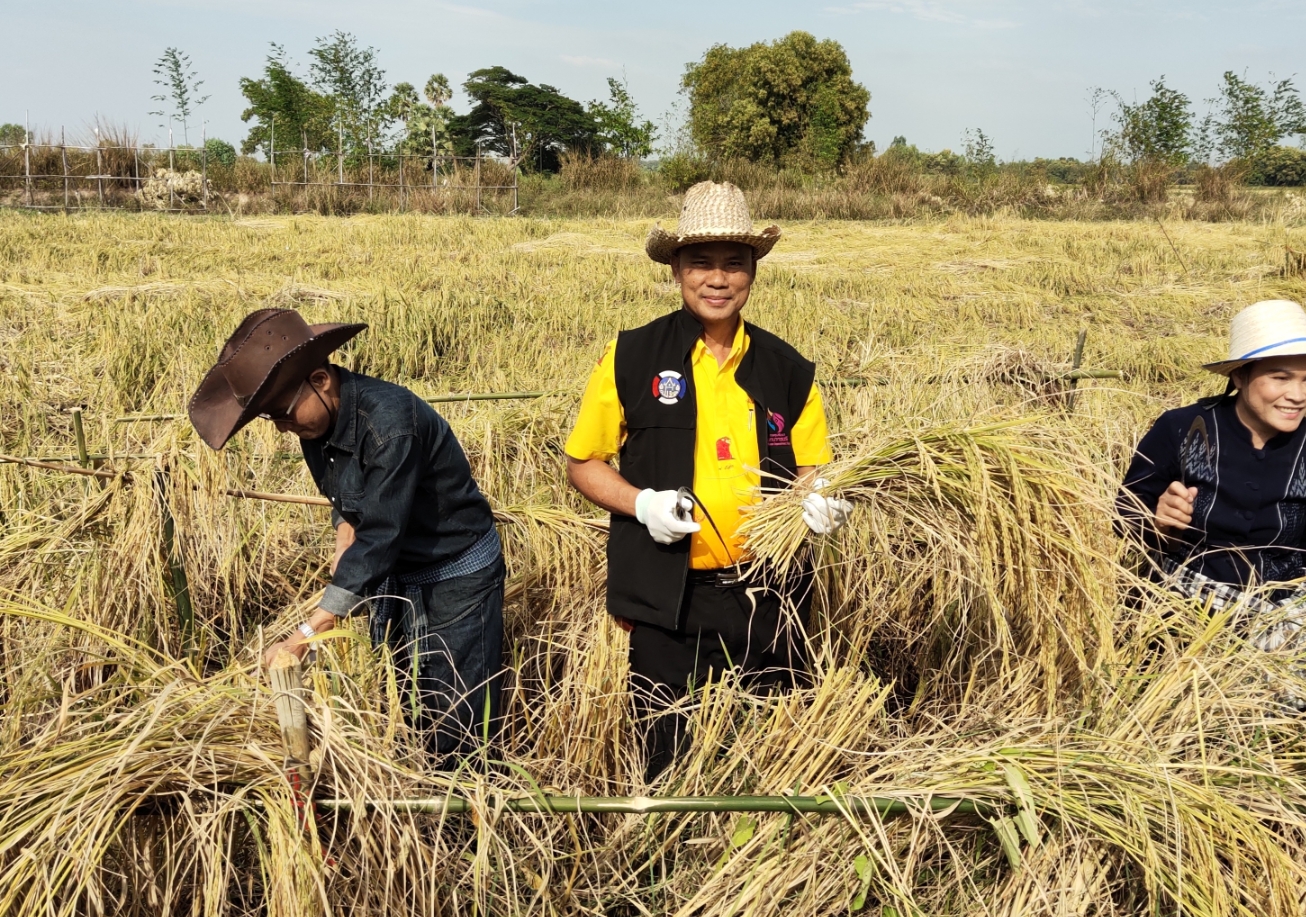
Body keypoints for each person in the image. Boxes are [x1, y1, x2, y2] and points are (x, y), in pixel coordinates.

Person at [564, 181, 850, 779]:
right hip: (669, 598)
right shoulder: (631, 357)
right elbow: (583, 463)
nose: (717, 279)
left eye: (733, 264)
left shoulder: (788, 369)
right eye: (701, 263)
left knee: (773, 749)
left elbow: (810, 465)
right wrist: (641, 503)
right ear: (675, 270)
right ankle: (667, 853)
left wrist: (817, 499)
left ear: (753, 272)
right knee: (665, 752)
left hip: (766, 595)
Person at [189, 309, 506, 764]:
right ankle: (421, 785)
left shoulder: (390, 424)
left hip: (456, 574)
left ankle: (468, 806)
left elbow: (380, 535)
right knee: (409, 697)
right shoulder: (314, 423)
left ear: (320, 378)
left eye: (282, 413)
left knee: (456, 713)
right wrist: (343, 538)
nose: (282, 427)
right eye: (270, 419)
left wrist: (306, 633)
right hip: (398, 576)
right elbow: (347, 502)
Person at [1118, 300, 1306, 616]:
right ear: (1239, 377)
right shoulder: (1183, 429)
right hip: (1176, 608)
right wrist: (1158, 522)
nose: (1299, 395)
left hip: (1276, 616)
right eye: (1280, 378)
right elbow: (1124, 518)